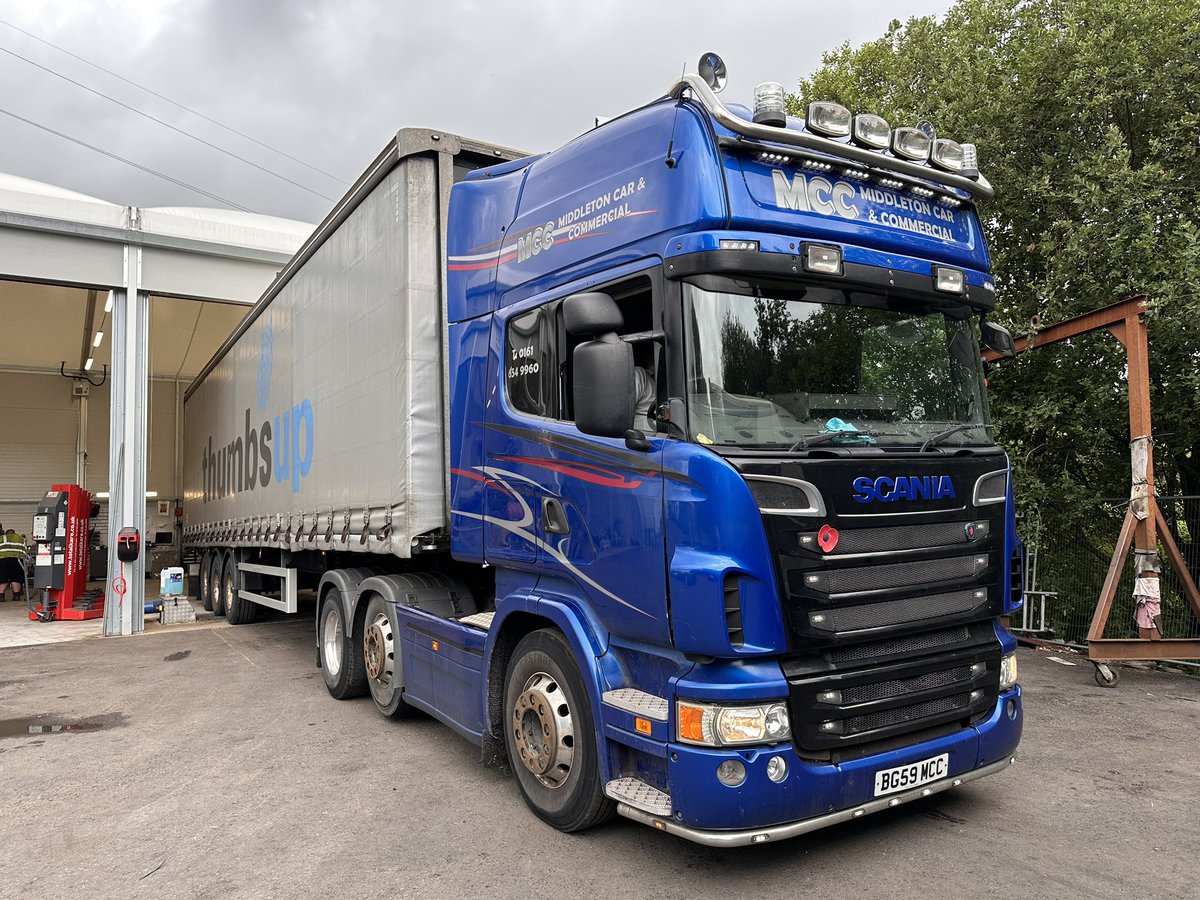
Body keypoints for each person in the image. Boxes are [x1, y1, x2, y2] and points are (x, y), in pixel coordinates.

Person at [0, 523, 29, 602]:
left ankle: (1, 596)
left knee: (3, 578)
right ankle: (16, 596)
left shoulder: (1, 538)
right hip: (17, 560)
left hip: (3, 560)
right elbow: (25, 551)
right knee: (16, 578)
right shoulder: (21, 539)